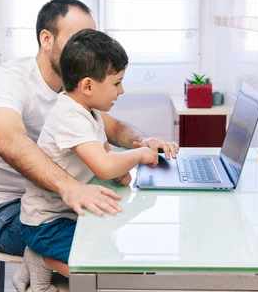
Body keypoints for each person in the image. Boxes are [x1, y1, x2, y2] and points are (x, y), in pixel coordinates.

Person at [0, 0, 179, 262]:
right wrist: (69, 187)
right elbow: (10, 142)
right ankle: (42, 271)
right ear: (47, 39)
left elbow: (113, 127)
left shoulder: (75, 87)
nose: (87, 49)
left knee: (112, 235)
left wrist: (144, 141)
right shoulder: (10, 81)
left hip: (49, 202)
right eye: (78, 39)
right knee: (99, 251)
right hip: (2, 211)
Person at [14, 29, 175, 292]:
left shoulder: (88, 111)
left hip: (71, 216)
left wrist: (116, 170)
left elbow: (103, 157)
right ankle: (41, 258)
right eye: (116, 83)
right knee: (103, 271)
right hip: (47, 223)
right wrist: (138, 155)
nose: (121, 90)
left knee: (114, 259)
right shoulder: (70, 117)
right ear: (88, 85)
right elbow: (103, 165)